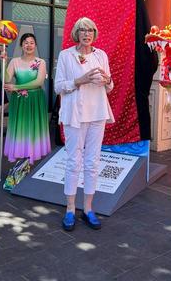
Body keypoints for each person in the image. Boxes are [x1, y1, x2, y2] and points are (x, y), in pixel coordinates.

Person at [54, 17, 114, 231]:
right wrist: (82, 79)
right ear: (76, 34)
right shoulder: (66, 55)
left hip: (97, 112)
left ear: (94, 34)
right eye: (83, 30)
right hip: (74, 114)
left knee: (93, 161)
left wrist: (107, 81)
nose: (87, 34)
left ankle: (88, 208)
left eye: (90, 30)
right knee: (73, 161)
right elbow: (58, 86)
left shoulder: (101, 55)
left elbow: (110, 85)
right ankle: (70, 208)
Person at [3, 33, 51, 164]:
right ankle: (20, 154)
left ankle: (31, 155)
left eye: (31, 42)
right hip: (19, 100)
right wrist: (4, 62)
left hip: (35, 99)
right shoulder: (14, 61)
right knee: (20, 126)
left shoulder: (40, 62)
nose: (28, 45)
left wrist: (16, 87)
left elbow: (38, 82)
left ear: (35, 45)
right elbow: (7, 79)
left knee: (33, 126)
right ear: (21, 45)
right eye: (26, 42)